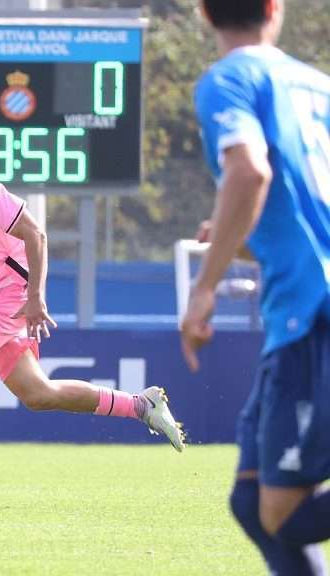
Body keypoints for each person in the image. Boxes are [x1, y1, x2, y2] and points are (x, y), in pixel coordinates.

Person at [0, 125, 184, 504]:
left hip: (11, 293)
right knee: (38, 394)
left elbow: (36, 234)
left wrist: (35, 297)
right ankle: (142, 406)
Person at [182, 1, 330, 573]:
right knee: (251, 503)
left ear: (203, 14)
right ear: (275, 8)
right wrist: (237, 235)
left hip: (311, 312)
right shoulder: (316, 86)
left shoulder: (231, 77)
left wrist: (205, 287)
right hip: (296, 311)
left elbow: (250, 171)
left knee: (283, 514)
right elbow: (301, 211)